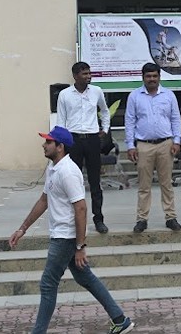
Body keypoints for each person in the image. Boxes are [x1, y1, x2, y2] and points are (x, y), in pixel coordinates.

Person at [9, 126, 134, 334]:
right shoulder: (53, 169)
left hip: (65, 237)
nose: (43, 145)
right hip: (63, 235)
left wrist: (80, 246)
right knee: (85, 278)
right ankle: (120, 319)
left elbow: (81, 208)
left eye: (48, 142)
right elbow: (44, 200)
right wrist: (22, 229)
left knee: (48, 285)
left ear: (60, 147)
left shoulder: (68, 172)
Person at [125, 63, 181, 233]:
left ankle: (170, 217)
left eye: (155, 76)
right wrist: (130, 145)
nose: (152, 79)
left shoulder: (169, 95)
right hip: (144, 146)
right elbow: (129, 121)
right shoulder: (134, 96)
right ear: (143, 77)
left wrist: (177, 140)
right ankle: (142, 219)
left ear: (159, 77)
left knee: (166, 184)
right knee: (144, 185)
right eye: (148, 76)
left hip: (166, 144)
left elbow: (175, 119)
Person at [55, 61, 111, 234]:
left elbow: (105, 111)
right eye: (84, 74)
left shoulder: (96, 91)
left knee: (95, 181)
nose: (88, 76)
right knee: (73, 181)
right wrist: (61, 144)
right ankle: (74, 220)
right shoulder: (64, 94)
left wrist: (105, 129)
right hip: (73, 140)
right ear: (75, 76)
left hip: (92, 139)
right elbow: (61, 120)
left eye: (89, 73)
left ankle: (98, 219)